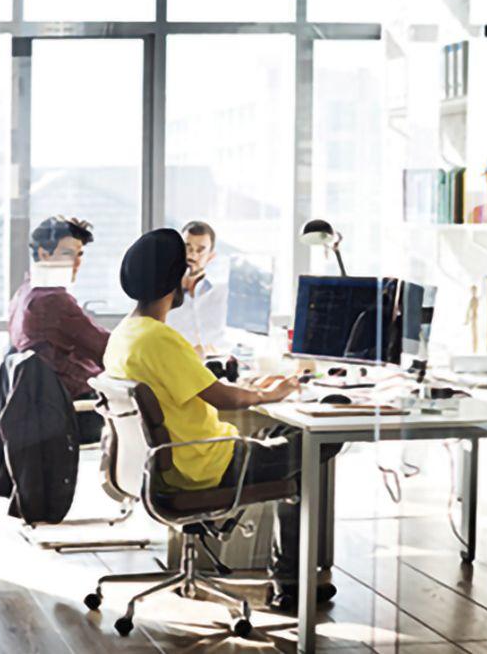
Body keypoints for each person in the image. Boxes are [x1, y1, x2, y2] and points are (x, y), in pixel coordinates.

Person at [104, 229, 340, 611]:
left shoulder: (125, 334)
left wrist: (255, 390)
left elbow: (196, 385)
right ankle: (291, 584)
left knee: (285, 435)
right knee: (318, 441)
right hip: (207, 465)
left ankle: (292, 579)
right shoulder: (159, 338)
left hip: (173, 464)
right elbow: (224, 397)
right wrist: (268, 394)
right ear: (173, 280)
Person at [8, 216, 109, 444]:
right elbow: (106, 349)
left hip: (43, 409)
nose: (76, 263)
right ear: (44, 254)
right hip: (72, 413)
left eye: (80, 254)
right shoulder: (53, 300)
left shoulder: (24, 293)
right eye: (67, 254)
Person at [166, 220, 228, 355]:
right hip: (176, 364)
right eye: (187, 247)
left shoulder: (222, 294)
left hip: (217, 365)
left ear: (211, 256)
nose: (191, 255)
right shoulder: (161, 296)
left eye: (200, 250)